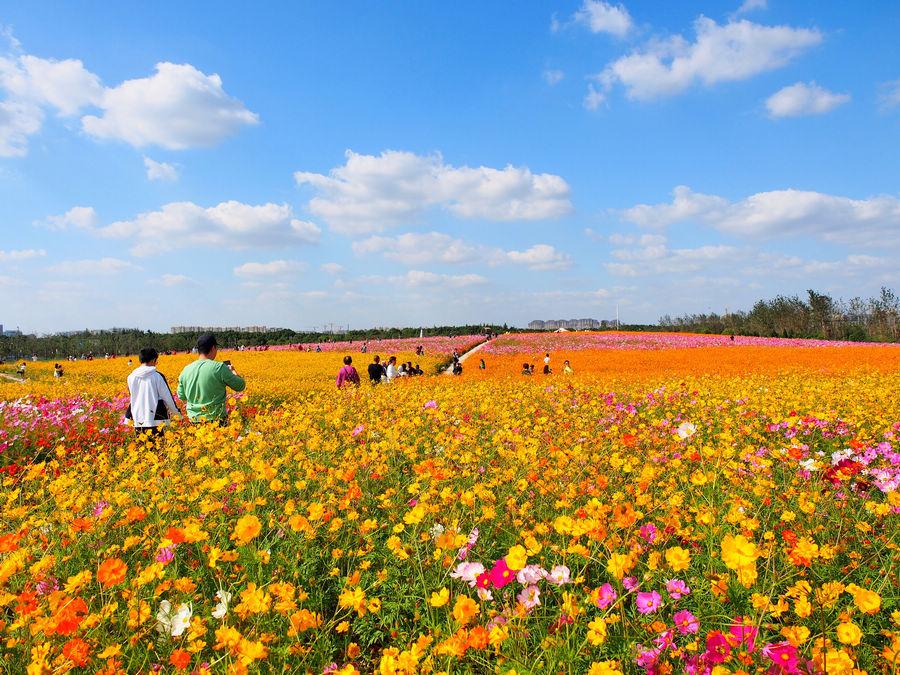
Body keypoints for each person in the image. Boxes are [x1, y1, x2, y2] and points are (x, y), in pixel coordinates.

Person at [177, 334, 246, 424]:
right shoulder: (219, 367)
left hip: (194, 421)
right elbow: (240, 386)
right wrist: (233, 371)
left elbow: (181, 396)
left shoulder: (186, 370)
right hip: (216, 420)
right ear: (213, 348)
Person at [127, 347, 180, 436]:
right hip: (156, 418)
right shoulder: (157, 376)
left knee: (142, 447)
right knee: (158, 447)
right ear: (153, 360)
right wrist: (176, 412)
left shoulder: (131, 377)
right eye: (156, 361)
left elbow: (132, 396)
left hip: (138, 418)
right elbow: (167, 397)